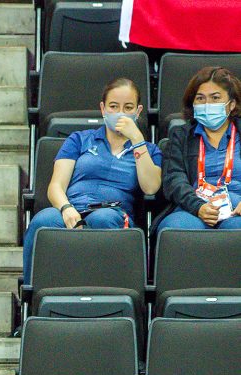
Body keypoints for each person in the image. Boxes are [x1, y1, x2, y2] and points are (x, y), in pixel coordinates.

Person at [22, 78, 162, 283]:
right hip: (72, 207)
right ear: (103, 109)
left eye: (128, 107)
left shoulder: (149, 150)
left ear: (138, 111)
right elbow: (56, 186)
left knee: (102, 219)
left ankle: (106, 289)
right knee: (43, 220)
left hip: (114, 212)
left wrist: (137, 140)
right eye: (114, 106)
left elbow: (150, 187)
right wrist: (66, 208)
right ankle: (32, 290)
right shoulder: (79, 139)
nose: (120, 113)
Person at [156, 66, 241, 232]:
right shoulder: (180, 135)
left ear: (231, 104)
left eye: (215, 98)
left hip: (237, 207)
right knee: (176, 229)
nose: (207, 104)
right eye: (200, 98)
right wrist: (198, 207)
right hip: (193, 207)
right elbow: (174, 178)